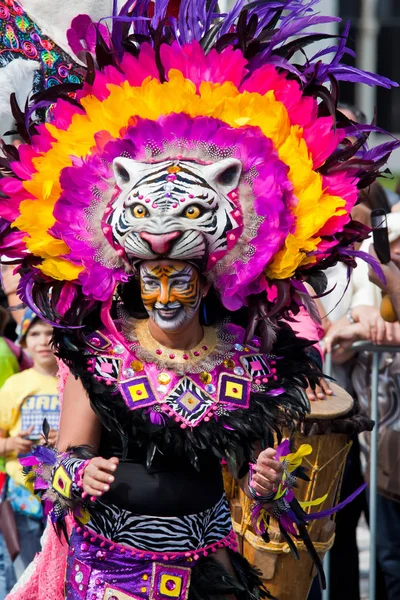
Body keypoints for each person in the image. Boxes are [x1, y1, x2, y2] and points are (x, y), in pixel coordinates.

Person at [0, 2, 397, 599]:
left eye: (180, 278)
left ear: (207, 281)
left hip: (208, 571)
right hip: (113, 575)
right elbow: (64, 463)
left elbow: (258, 476)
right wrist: (80, 471)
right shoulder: (100, 356)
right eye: (151, 277)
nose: (164, 294)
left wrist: (266, 479)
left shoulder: (244, 361)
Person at [0, 308, 59, 584]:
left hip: (62, 496)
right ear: (23, 341)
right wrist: (12, 442)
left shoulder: (71, 383)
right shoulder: (15, 385)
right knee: (23, 575)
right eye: (34, 333)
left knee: (56, 572)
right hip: (21, 497)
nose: (42, 340)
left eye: (49, 333)